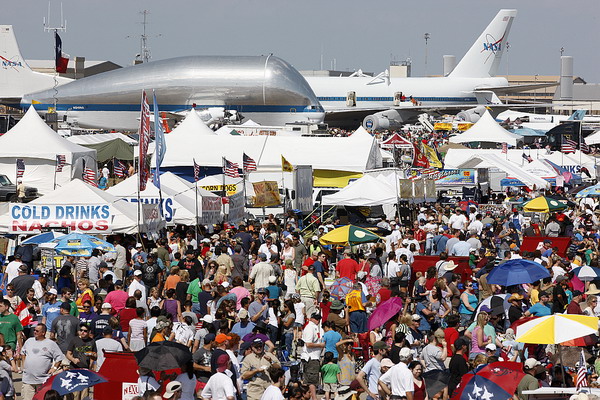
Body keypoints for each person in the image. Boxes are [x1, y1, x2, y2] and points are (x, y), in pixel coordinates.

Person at [20, 325, 64, 400]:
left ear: (43, 332)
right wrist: (24, 364)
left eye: (37, 331)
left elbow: (59, 357)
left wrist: (54, 368)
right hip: (28, 379)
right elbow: (23, 353)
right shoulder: (29, 341)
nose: (34, 332)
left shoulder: (51, 343)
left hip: (43, 380)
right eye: (34, 330)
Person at [300, 313, 325, 400]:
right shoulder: (310, 327)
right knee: (311, 381)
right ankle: (314, 398)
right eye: (316, 319)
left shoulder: (316, 327)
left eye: (319, 319)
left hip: (314, 357)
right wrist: (320, 345)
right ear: (312, 318)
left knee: (310, 380)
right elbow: (308, 344)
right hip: (311, 357)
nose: (318, 321)